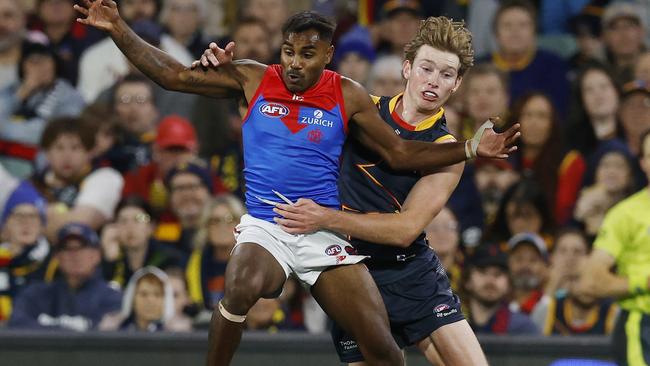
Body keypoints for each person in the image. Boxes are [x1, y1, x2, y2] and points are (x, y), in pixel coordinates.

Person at [74, 4, 518, 365]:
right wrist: (117, 26)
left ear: (327, 57)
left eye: (445, 74)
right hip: (279, 226)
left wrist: (469, 149)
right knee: (244, 283)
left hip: (376, 254)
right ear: (407, 68)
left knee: (386, 352)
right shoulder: (258, 79)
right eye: (288, 51)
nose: (294, 62)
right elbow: (173, 75)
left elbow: (402, 172)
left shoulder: (355, 101)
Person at [262, 16, 489, 366]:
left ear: (456, 84)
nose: (433, 81)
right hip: (350, 273)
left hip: (411, 274)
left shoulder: (446, 149)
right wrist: (221, 68)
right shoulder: (359, 109)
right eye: (427, 69)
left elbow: (404, 231)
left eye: (446, 75)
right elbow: (285, 96)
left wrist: (324, 217)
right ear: (407, 68)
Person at [576, 129, 650, 365]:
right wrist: (644, 283)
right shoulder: (625, 214)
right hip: (643, 327)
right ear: (643, 163)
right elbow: (590, 281)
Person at [8, 222, 122, 331]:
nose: (74, 255)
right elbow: (17, 325)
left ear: (96, 255)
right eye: (67, 249)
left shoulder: (112, 298)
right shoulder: (35, 294)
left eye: (82, 248)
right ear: (57, 256)